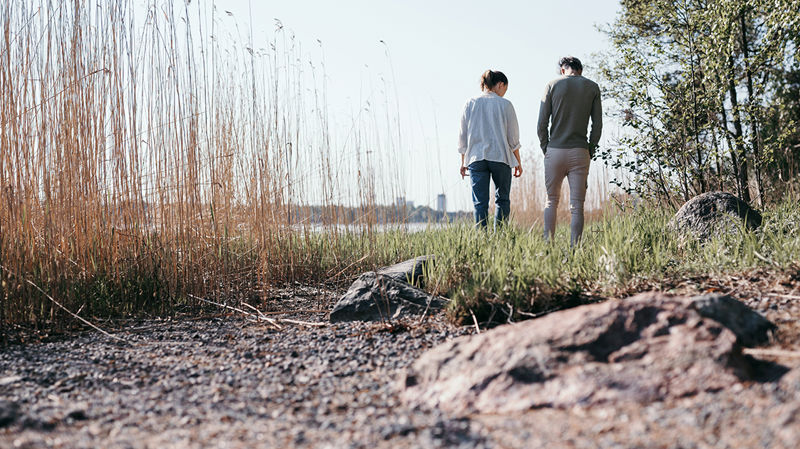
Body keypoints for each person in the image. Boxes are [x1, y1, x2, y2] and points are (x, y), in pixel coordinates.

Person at [537, 56, 602, 245]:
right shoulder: (592, 87)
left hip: (554, 150)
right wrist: (590, 149)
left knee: (551, 201)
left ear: (562, 69)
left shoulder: (552, 85)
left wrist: (546, 148)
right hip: (580, 152)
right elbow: (597, 125)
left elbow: (542, 123)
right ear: (580, 70)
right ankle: (575, 249)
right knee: (577, 206)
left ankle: (548, 246)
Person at [458, 70, 523, 229]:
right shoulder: (505, 104)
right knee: (502, 200)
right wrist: (518, 162)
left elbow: (462, 136)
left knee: (480, 203)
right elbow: (513, 138)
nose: (504, 93)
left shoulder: (470, 103)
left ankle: (482, 239)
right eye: (505, 89)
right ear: (500, 84)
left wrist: (463, 162)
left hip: (476, 159)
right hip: (500, 157)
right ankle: (500, 237)